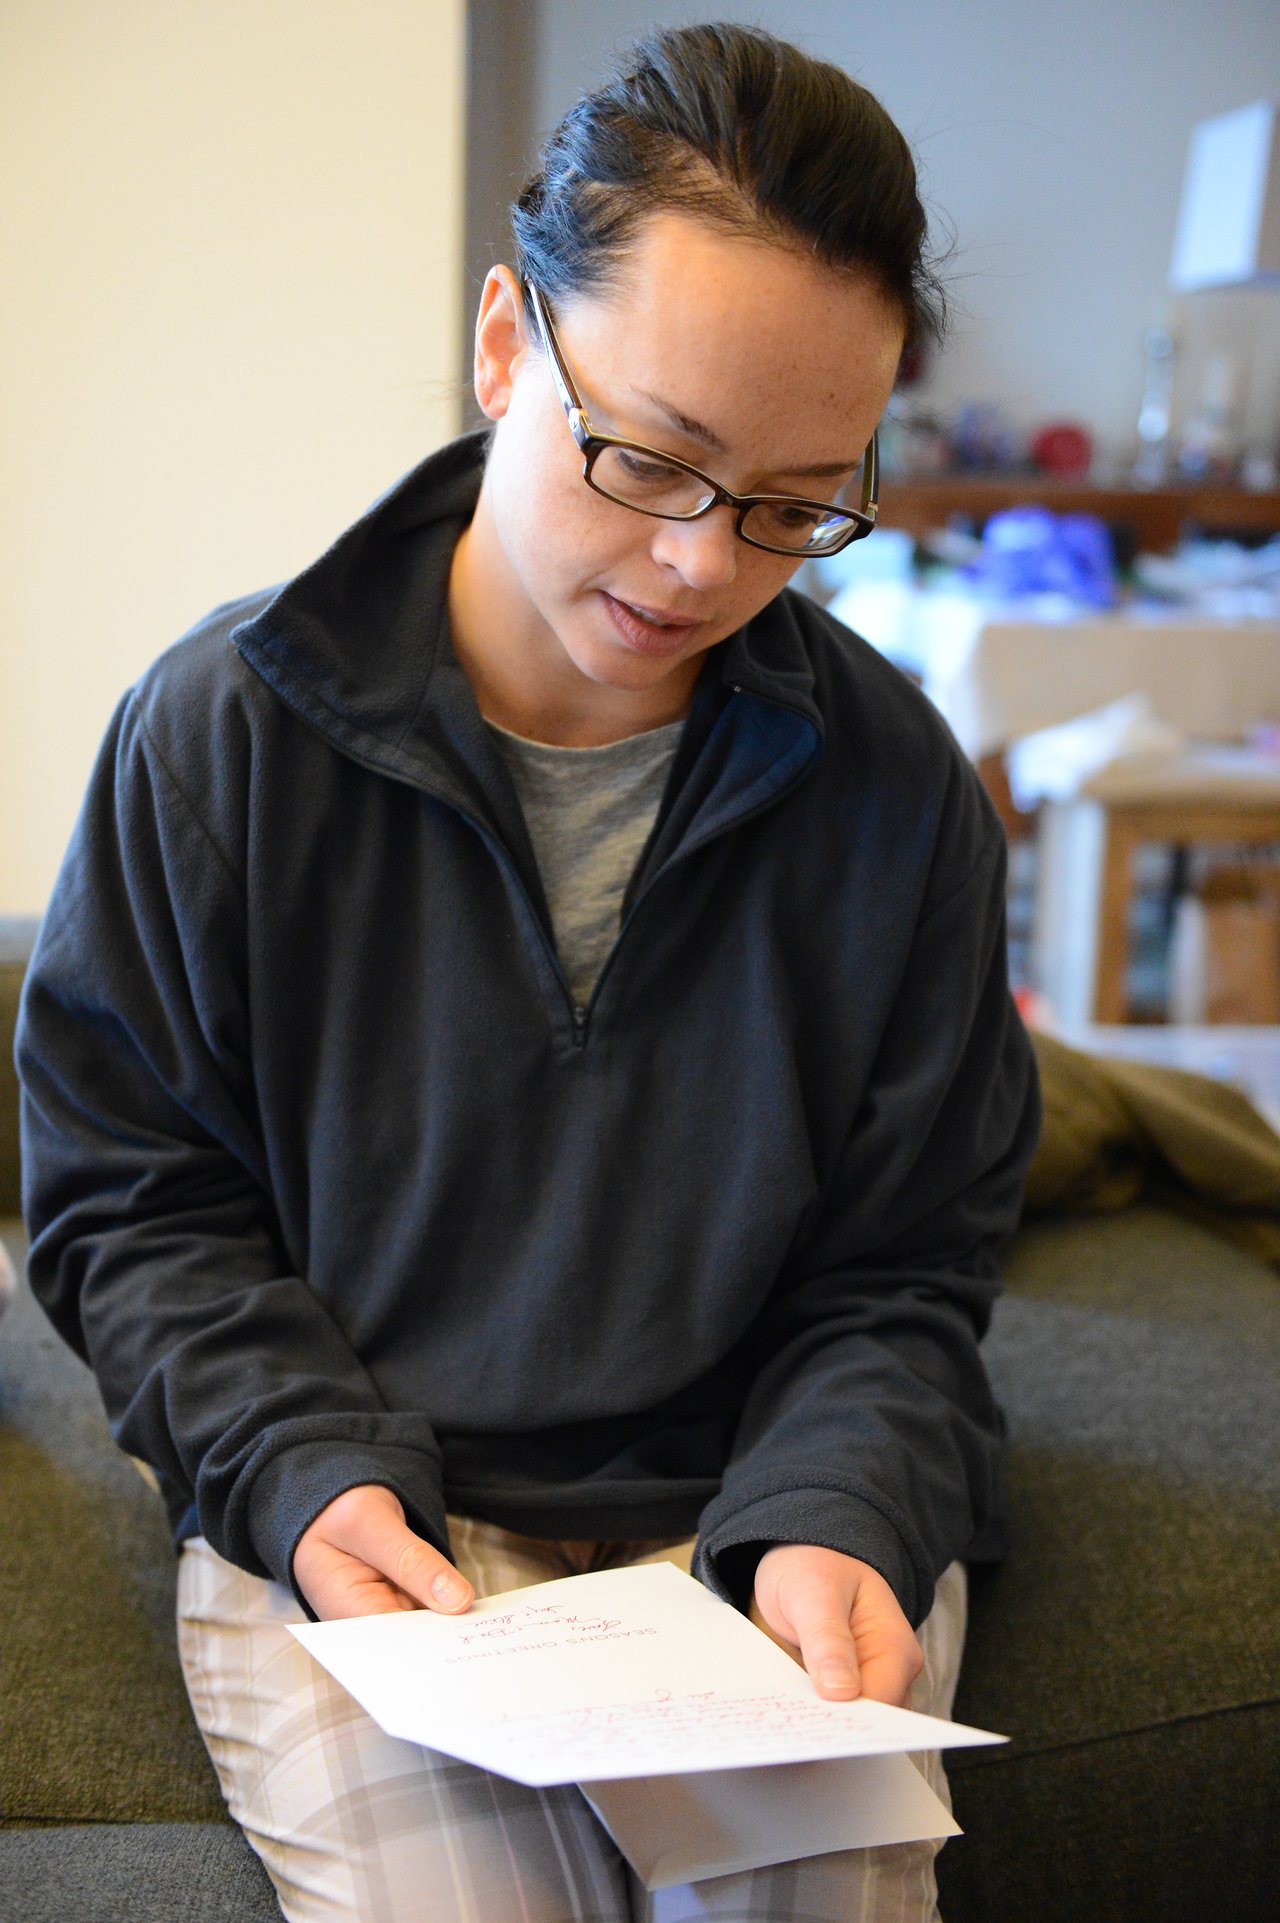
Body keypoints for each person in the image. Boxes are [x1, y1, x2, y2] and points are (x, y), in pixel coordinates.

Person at [17, 21, 1038, 1923]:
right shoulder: (220, 739)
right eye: (650, 457)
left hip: (751, 1499)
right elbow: (134, 1209)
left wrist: (837, 1510)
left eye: (796, 503)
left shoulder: (899, 788)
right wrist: (302, 1474)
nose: (698, 565)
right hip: (368, 1500)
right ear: (506, 341)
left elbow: (907, 1270)